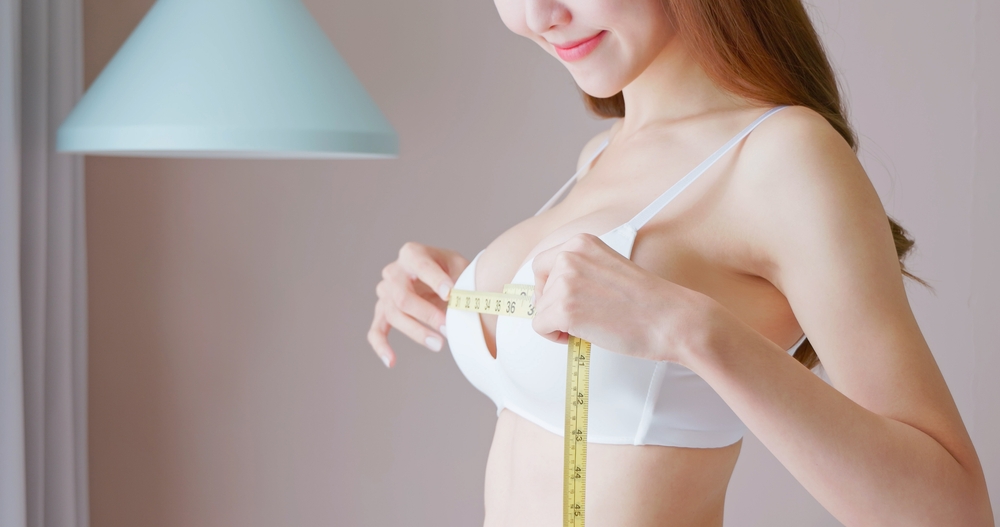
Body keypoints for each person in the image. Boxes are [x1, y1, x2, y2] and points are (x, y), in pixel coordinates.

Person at [367, 0, 995, 525]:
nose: (538, 15)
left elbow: (954, 512)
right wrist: (467, 296)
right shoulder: (599, 156)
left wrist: (689, 331)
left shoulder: (784, 157)